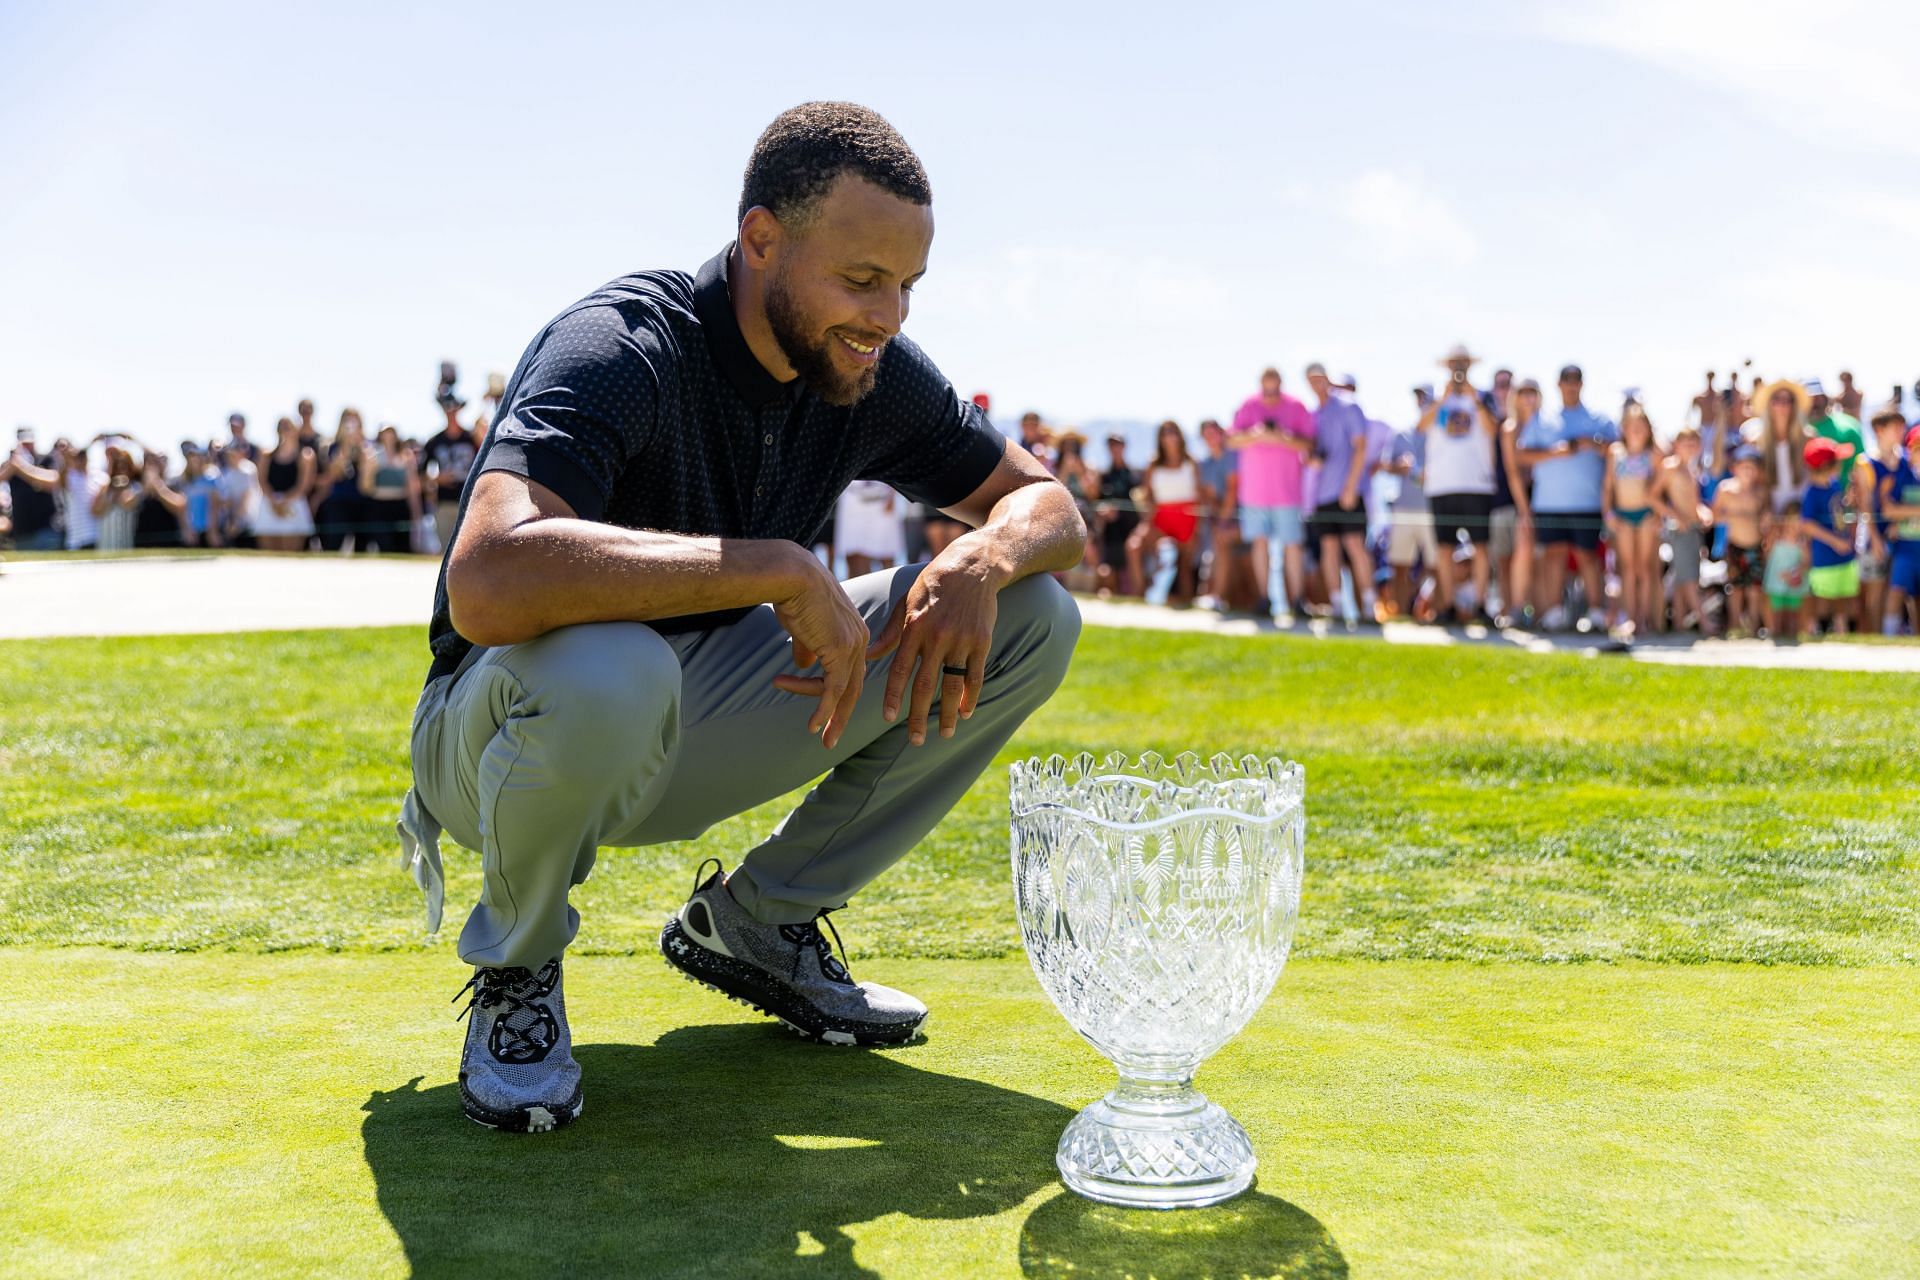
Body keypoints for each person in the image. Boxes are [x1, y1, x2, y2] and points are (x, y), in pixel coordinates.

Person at [396, 103, 1083, 1134]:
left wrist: (984, 555)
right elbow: (485, 580)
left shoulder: (867, 367)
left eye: (908, 284)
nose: (889, 314)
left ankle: (762, 921)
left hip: (692, 723)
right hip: (497, 741)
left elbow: (1052, 507)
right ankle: (519, 968)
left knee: (1036, 610)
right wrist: (771, 568)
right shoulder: (621, 344)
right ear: (762, 239)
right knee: (613, 667)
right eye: (862, 279)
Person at [1515, 365, 1616, 631]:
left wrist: (1592, 443)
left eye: (1576, 381)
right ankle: (1554, 613)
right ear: (1558, 385)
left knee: (1588, 557)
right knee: (1553, 557)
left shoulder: (1599, 419)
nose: (1571, 385)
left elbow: (1618, 450)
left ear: (1582, 384)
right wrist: (1557, 452)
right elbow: (1521, 455)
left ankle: (1596, 614)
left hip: (1588, 503)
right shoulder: (1541, 419)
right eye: (1566, 381)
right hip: (1549, 503)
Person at [1417, 347, 1500, 624]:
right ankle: (1448, 605)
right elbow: (1422, 426)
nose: (1459, 368)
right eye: (1455, 364)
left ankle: (1480, 604)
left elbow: (1492, 429)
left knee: (1480, 547)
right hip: (1442, 485)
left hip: (1476, 484)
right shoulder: (1436, 399)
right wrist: (1444, 397)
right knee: (1444, 548)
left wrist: (1473, 398)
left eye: (1463, 363)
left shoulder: (1483, 397)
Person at [1227, 367, 1314, 617]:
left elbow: (1309, 443)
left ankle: (1297, 599)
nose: (1270, 391)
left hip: (1287, 492)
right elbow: (1232, 440)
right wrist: (1256, 435)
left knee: (1292, 545)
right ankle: (1265, 599)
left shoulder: (1296, 406)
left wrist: (1283, 438)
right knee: (1259, 544)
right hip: (1254, 492)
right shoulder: (1248, 406)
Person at [1303, 363, 1377, 624]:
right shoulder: (1314, 414)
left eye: (1319, 378)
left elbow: (1361, 447)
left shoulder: (1347, 406)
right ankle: (1336, 606)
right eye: (1311, 380)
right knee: (1329, 549)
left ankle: (1369, 606)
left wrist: (1350, 486)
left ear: (1327, 378)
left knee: (1355, 546)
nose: (1316, 384)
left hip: (1348, 492)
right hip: (1322, 495)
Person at [1125, 420, 1203, 605]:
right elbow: (1147, 495)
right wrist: (1146, 518)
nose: (1169, 436)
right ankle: (1140, 593)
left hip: (1187, 518)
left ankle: (1186, 608)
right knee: (1133, 546)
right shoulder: (1154, 463)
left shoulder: (1190, 461)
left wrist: (1198, 528)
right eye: (1165, 432)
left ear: (1180, 435)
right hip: (1160, 518)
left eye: (1172, 431)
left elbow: (1200, 495)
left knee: (1184, 566)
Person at [1604, 403, 1664, 635]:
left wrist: (1659, 515)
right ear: (1624, 428)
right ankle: (1630, 617)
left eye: (1642, 426)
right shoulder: (1615, 452)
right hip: (1623, 516)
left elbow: (1660, 490)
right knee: (1627, 569)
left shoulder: (1653, 456)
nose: (1637, 431)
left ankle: (1644, 618)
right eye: (1633, 426)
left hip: (1646, 515)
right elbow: (1608, 487)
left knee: (1645, 569)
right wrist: (1607, 513)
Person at [1381, 386, 1439, 621]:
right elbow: (1385, 466)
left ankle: (1434, 612)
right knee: (1400, 564)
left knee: (1436, 565)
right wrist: (1399, 467)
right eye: (1419, 396)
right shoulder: (1401, 434)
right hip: (1404, 508)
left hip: (1432, 509)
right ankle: (1402, 613)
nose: (1422, 401)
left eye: (1425, 397)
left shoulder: (1440, 434)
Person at [1656, 427, 1715, 631]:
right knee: (1689, 578)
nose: (1690, 448)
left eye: (1694, 443)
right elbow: (1652, 496)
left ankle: (1678, 624)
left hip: (1692, 528)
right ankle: (1705, 622)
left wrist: (1704, 514)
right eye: (1686, 443)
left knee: (1683, 578)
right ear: (1676, 445)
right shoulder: (1670, 466)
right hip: (1679, 529)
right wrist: (1674, 516)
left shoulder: (1691, 468)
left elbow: (1694, 502)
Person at [1800, 437, 1859, 633]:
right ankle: (1818, 631)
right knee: (1824, 598)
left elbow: (1838, 512)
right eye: (1837, 460)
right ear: (1826, 465)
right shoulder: (1812, 492)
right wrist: (1835, 542)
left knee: (1843, 596)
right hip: (1824, 556)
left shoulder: (1834, 485)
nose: (1841, 464)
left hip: (1843, 554)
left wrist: (1849, 499)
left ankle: (1841, 630)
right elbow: (1807, 525)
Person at [1499, 379, 1542, 627]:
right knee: (1520, 551)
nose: (1528, 398)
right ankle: (1516, 608)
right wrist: (1524, 508)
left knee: (1539, 557)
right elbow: (1513, 473)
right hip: (1516, 500)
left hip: (1543, 497)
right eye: (1523, 393)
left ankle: (1538, 610)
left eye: (1532, 393)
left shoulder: (1544, 425)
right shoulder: (1510, 428)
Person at [1713, 447, 1770, 636]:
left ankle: (1753, 628)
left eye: (1752, 467)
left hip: (1754, 546)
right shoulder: (1726, 489)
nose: (1747, 471)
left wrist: (1764, 520)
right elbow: (1715, 515)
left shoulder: (1760, 492)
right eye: (1744, 466)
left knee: (1754, 590)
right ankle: (1734, 628)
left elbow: (1765, 515)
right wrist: (1735, 517)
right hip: (1734, 546)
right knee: (1735, 590)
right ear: (1735, 468)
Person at [1861, 409, 1907, 631]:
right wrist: (1875, 538)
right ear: (1879, 430)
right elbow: (1865, 505)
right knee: (1875, 592)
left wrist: (1899, 522)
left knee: (1896, 589)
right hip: (1874, 536)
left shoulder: (1905, 460)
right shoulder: (1866, 463)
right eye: (1895, 427)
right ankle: (1875, 638)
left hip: (1901, 534)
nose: (1900, 432)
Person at [1877, 423, 1920, 637]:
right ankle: (1889, 638)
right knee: (1897, 592)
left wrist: (1904, 511)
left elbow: (1896, 510)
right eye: (1917, 449)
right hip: (1905, 547)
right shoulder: (1904, 475)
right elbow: (1888, 509)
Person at [1194, 418, 1240, 609]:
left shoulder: (1231, 457)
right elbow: (1209, 496)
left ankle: (1217, 597)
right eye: (1206, 435)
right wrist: (1219, 518)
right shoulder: (1205, 463)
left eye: (1213, 433)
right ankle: (1210, 595)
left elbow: (1232, 492)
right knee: (1213, 546)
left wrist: (1221, 520)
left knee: (1220, 541)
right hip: (1217, 520)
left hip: (1239, 519)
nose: (1210, 438)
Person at [421, 397, 478, 554]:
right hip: (444, 502)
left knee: (469, 551)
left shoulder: (471, 438)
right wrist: (437, 479)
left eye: (454, 408)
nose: (451, 412)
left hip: (469, 502)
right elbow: (421, 474)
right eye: (447, 409)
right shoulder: (434, 441)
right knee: (446, 551)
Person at [1744, 379, 1809, 514]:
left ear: (1794, 405)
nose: (1782, 405)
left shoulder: (1808, 438)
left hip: (1802, 514)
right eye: (1777, 399)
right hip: (1770, 515)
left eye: (1787, 400)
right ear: (1769, 405)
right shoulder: (1756, 441)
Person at [254, 416, 317, 551]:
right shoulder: (267, 455)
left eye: (288, 427)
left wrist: (284, 502)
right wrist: (274, 501)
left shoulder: (305, 455)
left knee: (290, 553)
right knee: (268, 554)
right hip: (269, 504)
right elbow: (262, 481)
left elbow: (304, 486)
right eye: (281, 427)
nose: (285, 430)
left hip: (294, 505)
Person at [358, 425, 420, 553]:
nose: (388, 436)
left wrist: (416, 514)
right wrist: (369, 470)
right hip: (378, 508)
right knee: (385, 547)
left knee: (403, 547)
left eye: (391, 431)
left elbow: (412, 488)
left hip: (400, 507)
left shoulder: (406, 456)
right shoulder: (371, 456)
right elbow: (364, 488)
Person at [1093, 433, 1142, 596]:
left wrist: (1118, 513)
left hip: (1131, 533)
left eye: (1118, 445)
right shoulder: (1104, 475)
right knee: (1107, 577)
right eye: (1111, 445)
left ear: (1124, 447)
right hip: (1110, 536)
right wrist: (1104, 511)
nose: (1115, 449)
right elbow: (1097, 502)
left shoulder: (1135, 475)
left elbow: (1139, 506)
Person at [1, 428, 63, 550]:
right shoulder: (10, 464)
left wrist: (21, 468)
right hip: (22, 534)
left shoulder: (45, 459)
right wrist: (12, 465)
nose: (27, 446)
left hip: (47, 530)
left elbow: (53, 482)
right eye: (23, 443)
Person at [317, 409, 369, 552]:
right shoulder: (333, 446)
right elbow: (334, 474)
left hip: (362, 503)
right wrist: (346, 446)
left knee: (361, 548)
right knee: (332, 544)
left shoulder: (367, 446)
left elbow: (367, 478)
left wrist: (360, 446)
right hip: (338, 501)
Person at [833, 479, 907, 576]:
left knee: (887, 554)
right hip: (853, 501)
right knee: (855, 555)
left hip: (882, 498)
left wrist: (892, 496)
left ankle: (887, 589)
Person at [1804, 377, 1865, 493]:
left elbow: (1861, 468)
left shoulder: (1850, 427)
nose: (1814, 402)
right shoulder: (1796, 433)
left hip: (1844, 503)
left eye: (1817, 397)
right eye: (1810, 398)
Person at [1762, 501, 1808, 641]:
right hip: (1777, 582)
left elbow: (1806, 562)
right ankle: (1776, 638)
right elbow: (1766, 551)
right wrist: (1769, 528)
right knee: (1776, 615)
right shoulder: (1776, 538)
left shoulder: (1802, 542)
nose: (1795, 525)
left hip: (1794, 583)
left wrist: (1794, 573)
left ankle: (1792, 640)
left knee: (1793, 616)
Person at [216, 442, 258, 548]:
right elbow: (227, 500)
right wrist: (230, 520)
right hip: (234, 522)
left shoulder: (248, 470)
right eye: (228, 454)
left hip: (249, 523)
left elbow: (245, 498)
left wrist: (235, 522)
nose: (230, 457)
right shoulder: (227, 473)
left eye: (233, 454)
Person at [181, 446, 224, 547]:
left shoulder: (213, 478)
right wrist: (188, 529)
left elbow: (214, 506)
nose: (197, 460)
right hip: (194, 531)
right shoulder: (187, 481)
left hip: (212, 531)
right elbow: (185, 509)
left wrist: (212, 530)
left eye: (200, 456)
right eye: (193, 457)